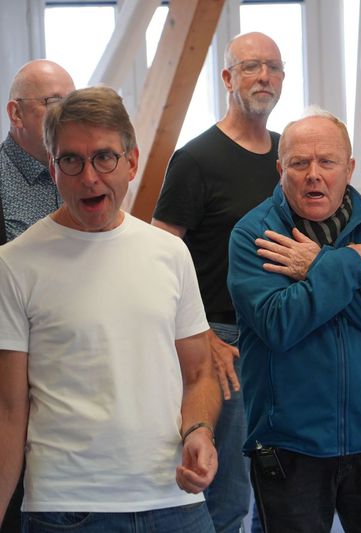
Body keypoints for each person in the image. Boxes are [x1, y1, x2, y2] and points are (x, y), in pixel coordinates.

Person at [0, 86, 221, 532]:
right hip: (68, 510)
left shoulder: (170, 254)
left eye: (104, 157)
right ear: (53, 169)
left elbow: (199, 373)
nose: (89, 177)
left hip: (175, 500)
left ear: (131, 162)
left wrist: (199, 429)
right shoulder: (16, 263)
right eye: (71, 160)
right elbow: (9, 410)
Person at [227, 108, 361, 533]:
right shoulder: (254, 235)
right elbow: (279, 324)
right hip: (290, 446)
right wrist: (349, 266)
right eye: (299, 163)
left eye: (327, 162)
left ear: (348, 168)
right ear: (281, 171)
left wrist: (317, 265)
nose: (314, 174)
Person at [152, 31, 283, 533]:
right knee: (226, 497)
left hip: (283, 337)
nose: (264, 77)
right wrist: (202, 334)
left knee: (281, 491)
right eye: (251, 67)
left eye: (273, 67)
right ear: (228, 78)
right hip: (223, 343)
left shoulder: (289, 154)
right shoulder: (196, 159)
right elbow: (161, 258)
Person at [0, 59, 75, 533]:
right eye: (52, 102)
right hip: (10, 381)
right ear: (16, 113)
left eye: (71, 100)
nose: (66, 112)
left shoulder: (81, 174)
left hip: (70, 381)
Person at [1, 59, 75, 245]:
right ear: (16, 114)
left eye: (73, 104)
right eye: (55, 103)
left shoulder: (86, 172)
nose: (69, 116)